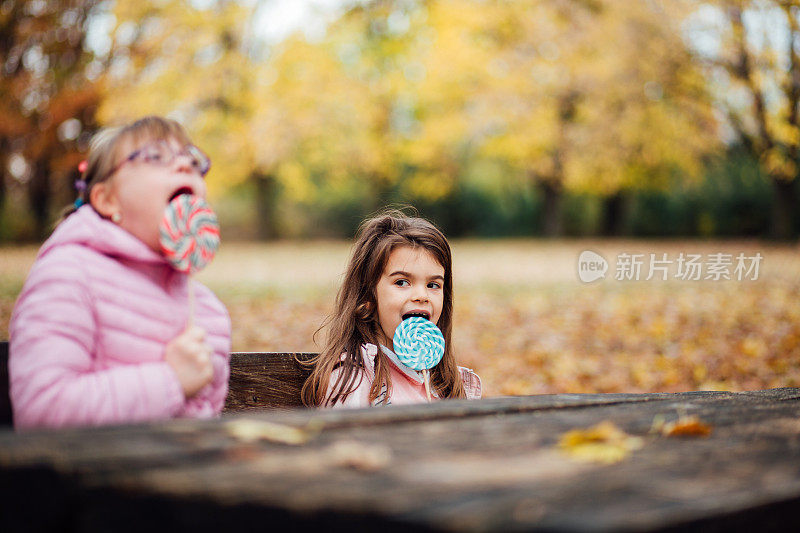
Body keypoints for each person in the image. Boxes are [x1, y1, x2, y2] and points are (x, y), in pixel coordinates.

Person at [9, 116, 231, 430]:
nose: (184, 165)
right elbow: (41, 411)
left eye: (193, 159)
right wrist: (170, 381)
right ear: (107, 199)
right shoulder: (69, 276)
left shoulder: (209, 312)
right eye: (155, 156)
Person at [302, 210, 481, 407]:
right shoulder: (355, 384)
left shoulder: (446, 385)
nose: (422, 295)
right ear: (368, 296)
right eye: (402, 282)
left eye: (433, 285)